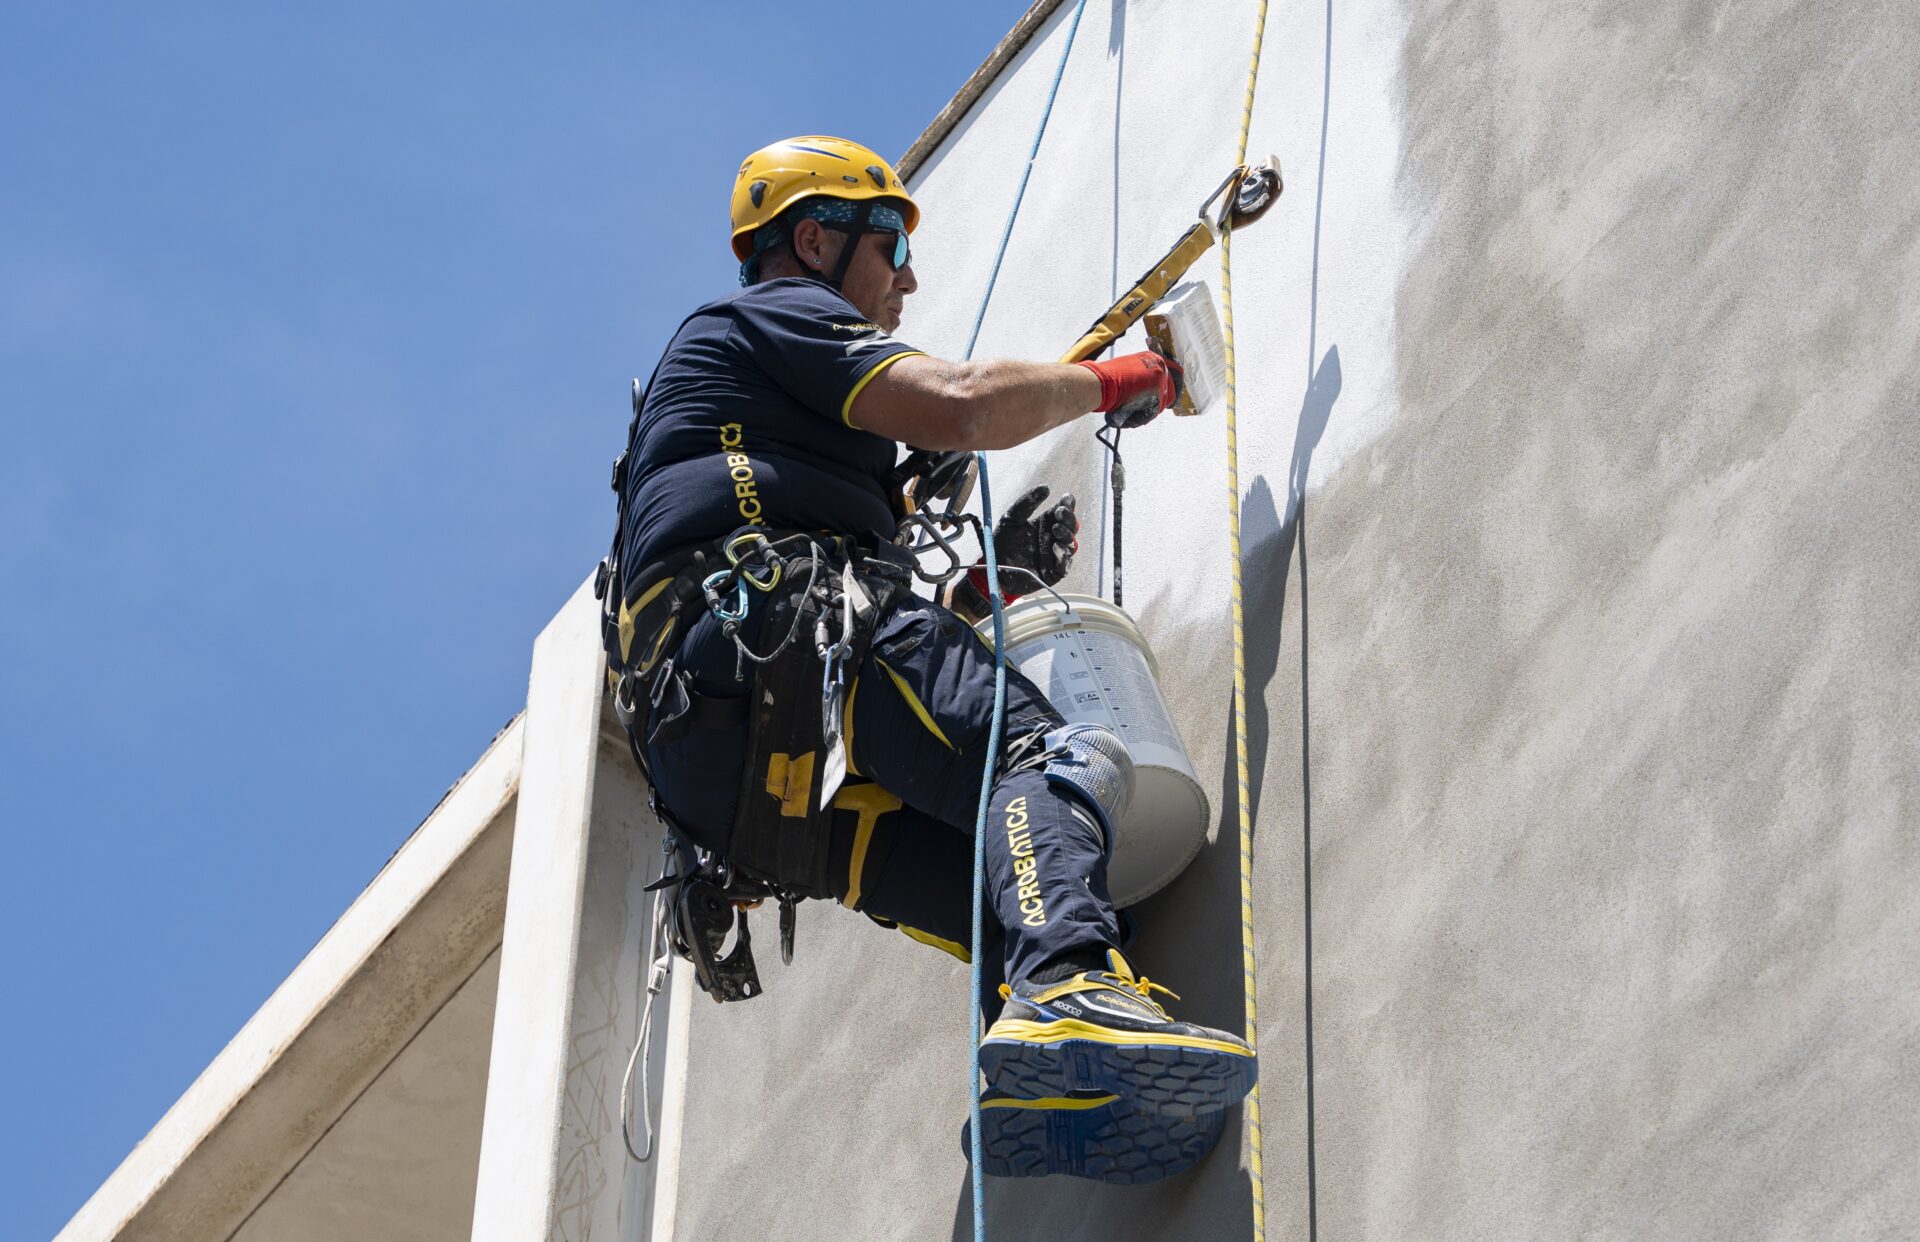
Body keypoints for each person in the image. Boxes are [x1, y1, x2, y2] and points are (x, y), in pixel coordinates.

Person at [603, 135, 1254, 1183]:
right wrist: (1127, 377)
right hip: (779, 644)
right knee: (1044, 759)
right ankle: (1065, 1003)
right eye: (891, 240)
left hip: (737, 781)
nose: (906, 275)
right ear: (812, 240)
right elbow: (961, 404)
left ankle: (1080, 1077)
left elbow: (850, 571)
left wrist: (970, 588)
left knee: (1043, 899)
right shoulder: (779, 314)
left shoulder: (765, 422)